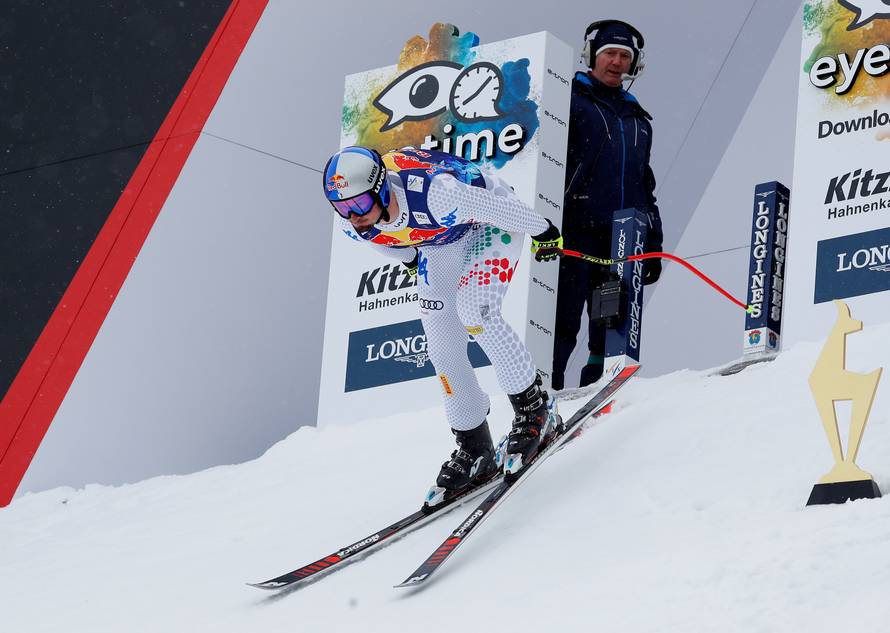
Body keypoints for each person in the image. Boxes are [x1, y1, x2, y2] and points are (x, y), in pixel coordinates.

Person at [323, 146, 563, 507]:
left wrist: (545, 232)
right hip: (438, 242)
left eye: (357, 205)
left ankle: (535, 409)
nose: (352, 216)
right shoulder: (354, 224)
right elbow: (389, 244)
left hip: (491, 223)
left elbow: (501, 209)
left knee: (474, 310)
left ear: (380, 189)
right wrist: (409, 259)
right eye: (341, 207)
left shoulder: (435, 194)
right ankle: (474, 446)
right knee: (440, 343)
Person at [552, 19, 664, 391]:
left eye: (624, 56)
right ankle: (544, 392)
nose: (616, 62)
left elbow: (644, 184)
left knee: (609, 321)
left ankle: (596, 390)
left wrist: (654, 241)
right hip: (574, 232)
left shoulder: (638, 119)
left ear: (635, 64)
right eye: (609, 54)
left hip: (621, 237)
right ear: (591, 56)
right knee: (562, 319)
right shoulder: (566, 100)